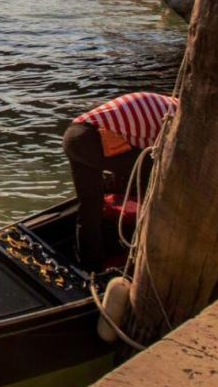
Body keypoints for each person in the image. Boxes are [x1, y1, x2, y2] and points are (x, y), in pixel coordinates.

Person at [62, 92, 178, 269]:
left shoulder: (163, 103)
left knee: (90, 204)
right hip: (93, 137)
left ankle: (89, 263)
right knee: (154, 170)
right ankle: (148, 250)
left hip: (73, 136)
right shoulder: (177, 117)